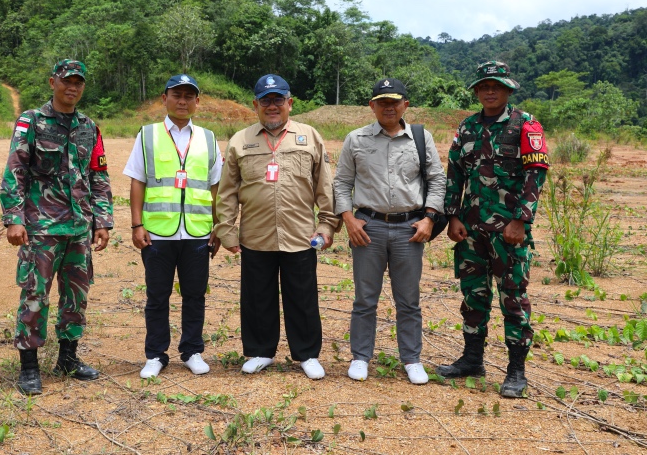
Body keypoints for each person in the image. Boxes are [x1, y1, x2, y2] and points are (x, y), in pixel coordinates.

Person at [215, 74, 340, 380]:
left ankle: (307, 354)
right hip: (256, 235)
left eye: (278, 100)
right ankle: (260, 351)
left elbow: (325, 185)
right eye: (266, 101)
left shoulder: (309, 136)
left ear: (290, 103)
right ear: (255, 105)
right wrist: (227, 230)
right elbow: (228, 190)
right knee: (258, 297)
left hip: (300, 235)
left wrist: (326, 225)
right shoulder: (240, 141)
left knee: (303, 297)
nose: (272, 106)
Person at [0, 59, 114, 395]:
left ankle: (68, 358)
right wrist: (14, 218)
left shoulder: (89, 127)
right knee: (35, 295)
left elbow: (98, 175)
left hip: (79, 229)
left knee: (76, 297)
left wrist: (102, 220)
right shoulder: (31, 122)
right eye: (66, 81)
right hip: (41, 229)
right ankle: (30, 367)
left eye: (78, 82)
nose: (72, 88)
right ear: (53, 82)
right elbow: (15, 171)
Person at [437, 61, 549, 398]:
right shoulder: (467, 127)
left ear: (508, 89)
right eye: (484, 86)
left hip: (508, 230)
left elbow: (536, 175)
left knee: (513, 297)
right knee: (474, 295)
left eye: (496, 86)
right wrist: (453, 216)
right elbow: (455, 173)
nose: (489, 91)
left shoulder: (526, 125)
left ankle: (516, 371)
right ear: (476, 90)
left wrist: (521, 220)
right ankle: (472, 360)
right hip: (471, 229)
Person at [333, 78, 446, 385]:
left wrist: (429, 219)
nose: (388, 107)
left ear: (405, 105)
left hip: (410, 229)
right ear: (372, 106)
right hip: (367, 228)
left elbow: (437, 181)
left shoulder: (421, 139)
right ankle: (360, 357)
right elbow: (342, 182)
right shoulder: (356, 139)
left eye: (394, 102)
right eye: (381, 102)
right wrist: (348, 218)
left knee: (408, 300)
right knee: (365, 299)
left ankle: (411, 359)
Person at [124, 74, 222, 379]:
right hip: (157, 232)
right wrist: (137, 224)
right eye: (176, 95)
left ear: (197, 101)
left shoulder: (208, 138)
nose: (182, 101)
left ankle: (192, 350)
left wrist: (218, 227)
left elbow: (215, 186)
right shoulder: (148, 135)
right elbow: (138, 181)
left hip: (196, 232)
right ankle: (156, 354)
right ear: (164, 98)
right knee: (157, 295)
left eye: (188, 96)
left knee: (195, 294)